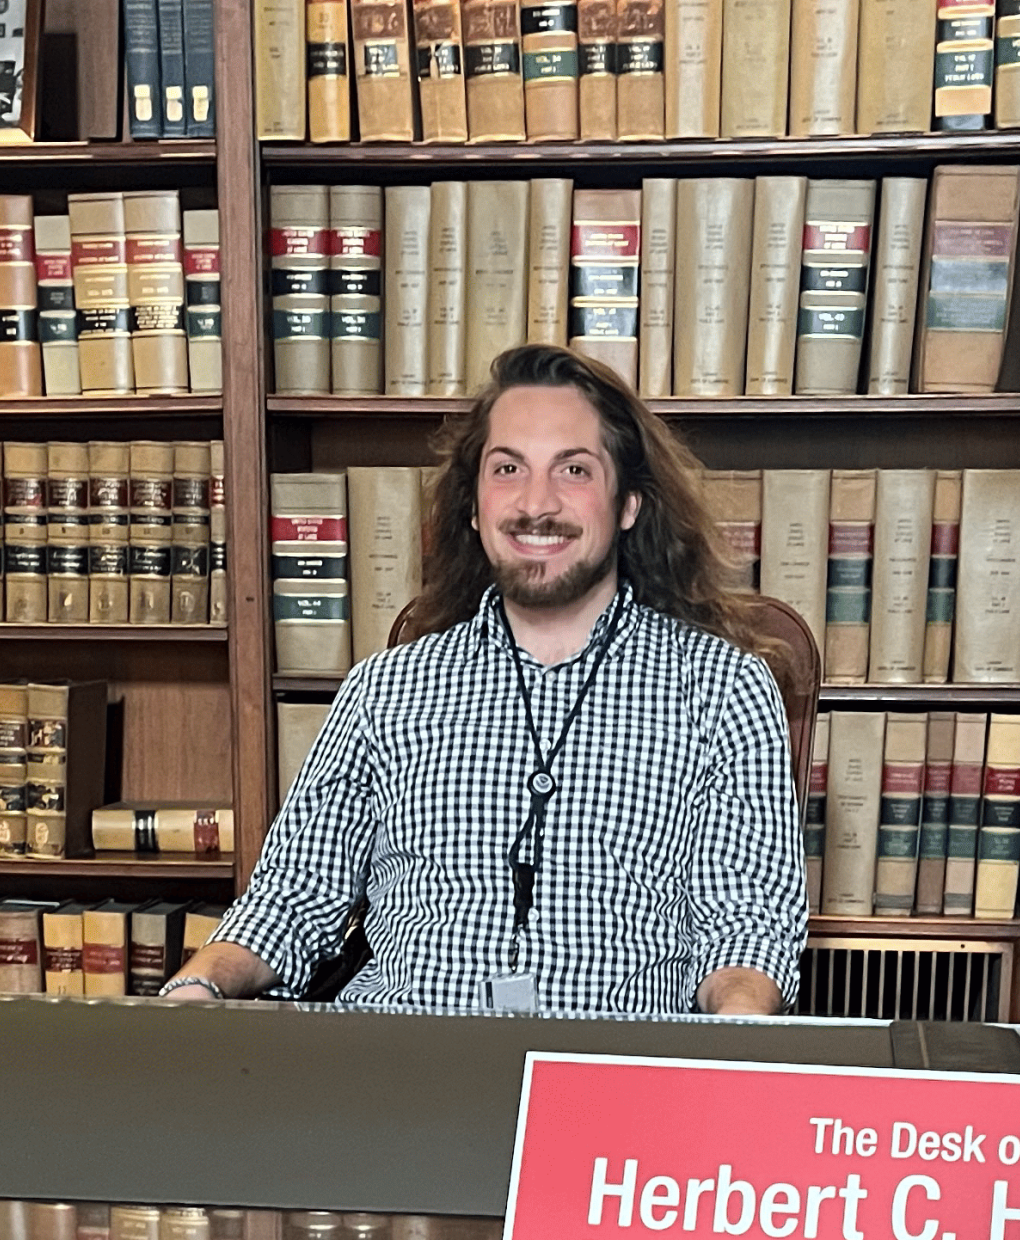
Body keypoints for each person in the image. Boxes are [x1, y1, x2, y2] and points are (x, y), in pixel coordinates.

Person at [162, 343, 805, 1016]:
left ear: (628, 506)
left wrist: (736, 1046)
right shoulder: (384, 690)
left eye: (574, 470)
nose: (536, 503)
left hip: (608, 1083)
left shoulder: (723, 690)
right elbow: (290, 900)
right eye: (508, 469)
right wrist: (196, 985)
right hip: (400, 1074)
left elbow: (745, 927)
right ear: (473, 506)